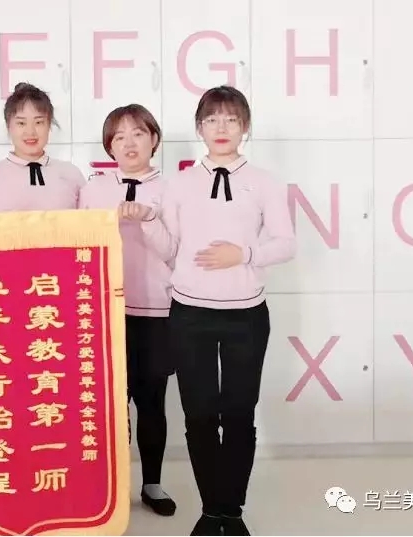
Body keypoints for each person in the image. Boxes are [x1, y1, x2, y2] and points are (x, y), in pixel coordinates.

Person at [122, 86, 296, 536]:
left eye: (231, 119)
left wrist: (244, 254)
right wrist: (147, 223)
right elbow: (170, 249)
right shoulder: (180, 184)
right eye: (212, 120)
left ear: (245, 127)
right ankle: (210, 508)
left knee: (238, 415)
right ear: (199, 128)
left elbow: (286, 244)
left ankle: (231, 510)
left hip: (246, 315)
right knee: (199, 415)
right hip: (190, 314)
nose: (222, 128)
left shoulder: (265, 182)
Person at [78, 104, 177, 517]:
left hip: (155, 310)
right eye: (119, 137)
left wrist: (148, 220)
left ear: (153, 140)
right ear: (109, 147)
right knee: (107, 405)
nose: (129, 143)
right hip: (102, 312)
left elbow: (174, 252)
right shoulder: (93, 190)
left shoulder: (172, 189)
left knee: (152, 401)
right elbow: (78, 246)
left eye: (138, 133)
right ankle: (112, 487)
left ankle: (152, 483)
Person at [0, 82, 86, 212]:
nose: (30, 132)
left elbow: (89, 222)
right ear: (8, 126)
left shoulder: (71, 174)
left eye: (38, 122)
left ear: (49, 125)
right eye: (21, 123)